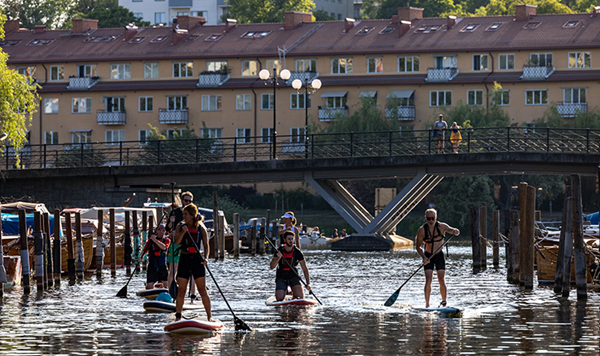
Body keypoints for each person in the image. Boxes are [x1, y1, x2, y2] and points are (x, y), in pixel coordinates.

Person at [415, 208, 460, 308]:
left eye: (433, 218)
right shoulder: (422, 230)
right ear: (425, 218)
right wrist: (424, 257)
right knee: (429, 279)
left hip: (439, 255)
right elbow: (418, 247)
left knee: (441, 279)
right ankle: (427, 305)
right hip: (428, 256)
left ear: (436, 218)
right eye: (428, 219)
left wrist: (455, 231)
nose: (431, 221)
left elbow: (452, 230)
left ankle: (444, 302)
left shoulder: (442, 226)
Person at [174, 203, 211, 321]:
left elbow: (206, 245)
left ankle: (209, 317)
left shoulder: (201, 228)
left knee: (202, 290)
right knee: (182, 290)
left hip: (197, 259)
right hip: (184, 259)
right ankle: (178, 317)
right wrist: (184, 232)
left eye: (186, 214)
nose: (184, 216)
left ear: (192, 215)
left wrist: (206, 258)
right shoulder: (180, 226)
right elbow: (176, 242)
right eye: (183, 214)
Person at [270, 231, 311, 301]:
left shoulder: (298, 252)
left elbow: (305, 269)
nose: (291, 241)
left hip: (293, 275)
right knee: (279, 298)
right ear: (285, 240)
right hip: (281, 276)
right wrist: (278, 258)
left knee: (300, 297)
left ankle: (294, 294)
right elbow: (272, 266)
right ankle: (285, 291)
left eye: (292, 239)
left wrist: (308, 283)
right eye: (289, 239)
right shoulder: (279, 250)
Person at [139, 224, 170, 289]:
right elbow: (145, 249)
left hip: (162, 265)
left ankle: (162, 287)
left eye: (163, 231)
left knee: (166, 284)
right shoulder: (151, 240)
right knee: (149, 286)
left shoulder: (167, 240)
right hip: (153, 264)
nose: (162, 232)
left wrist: (155, 240)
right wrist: (141, 256)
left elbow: (164, 247)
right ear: (157, 231)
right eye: (160, 230)